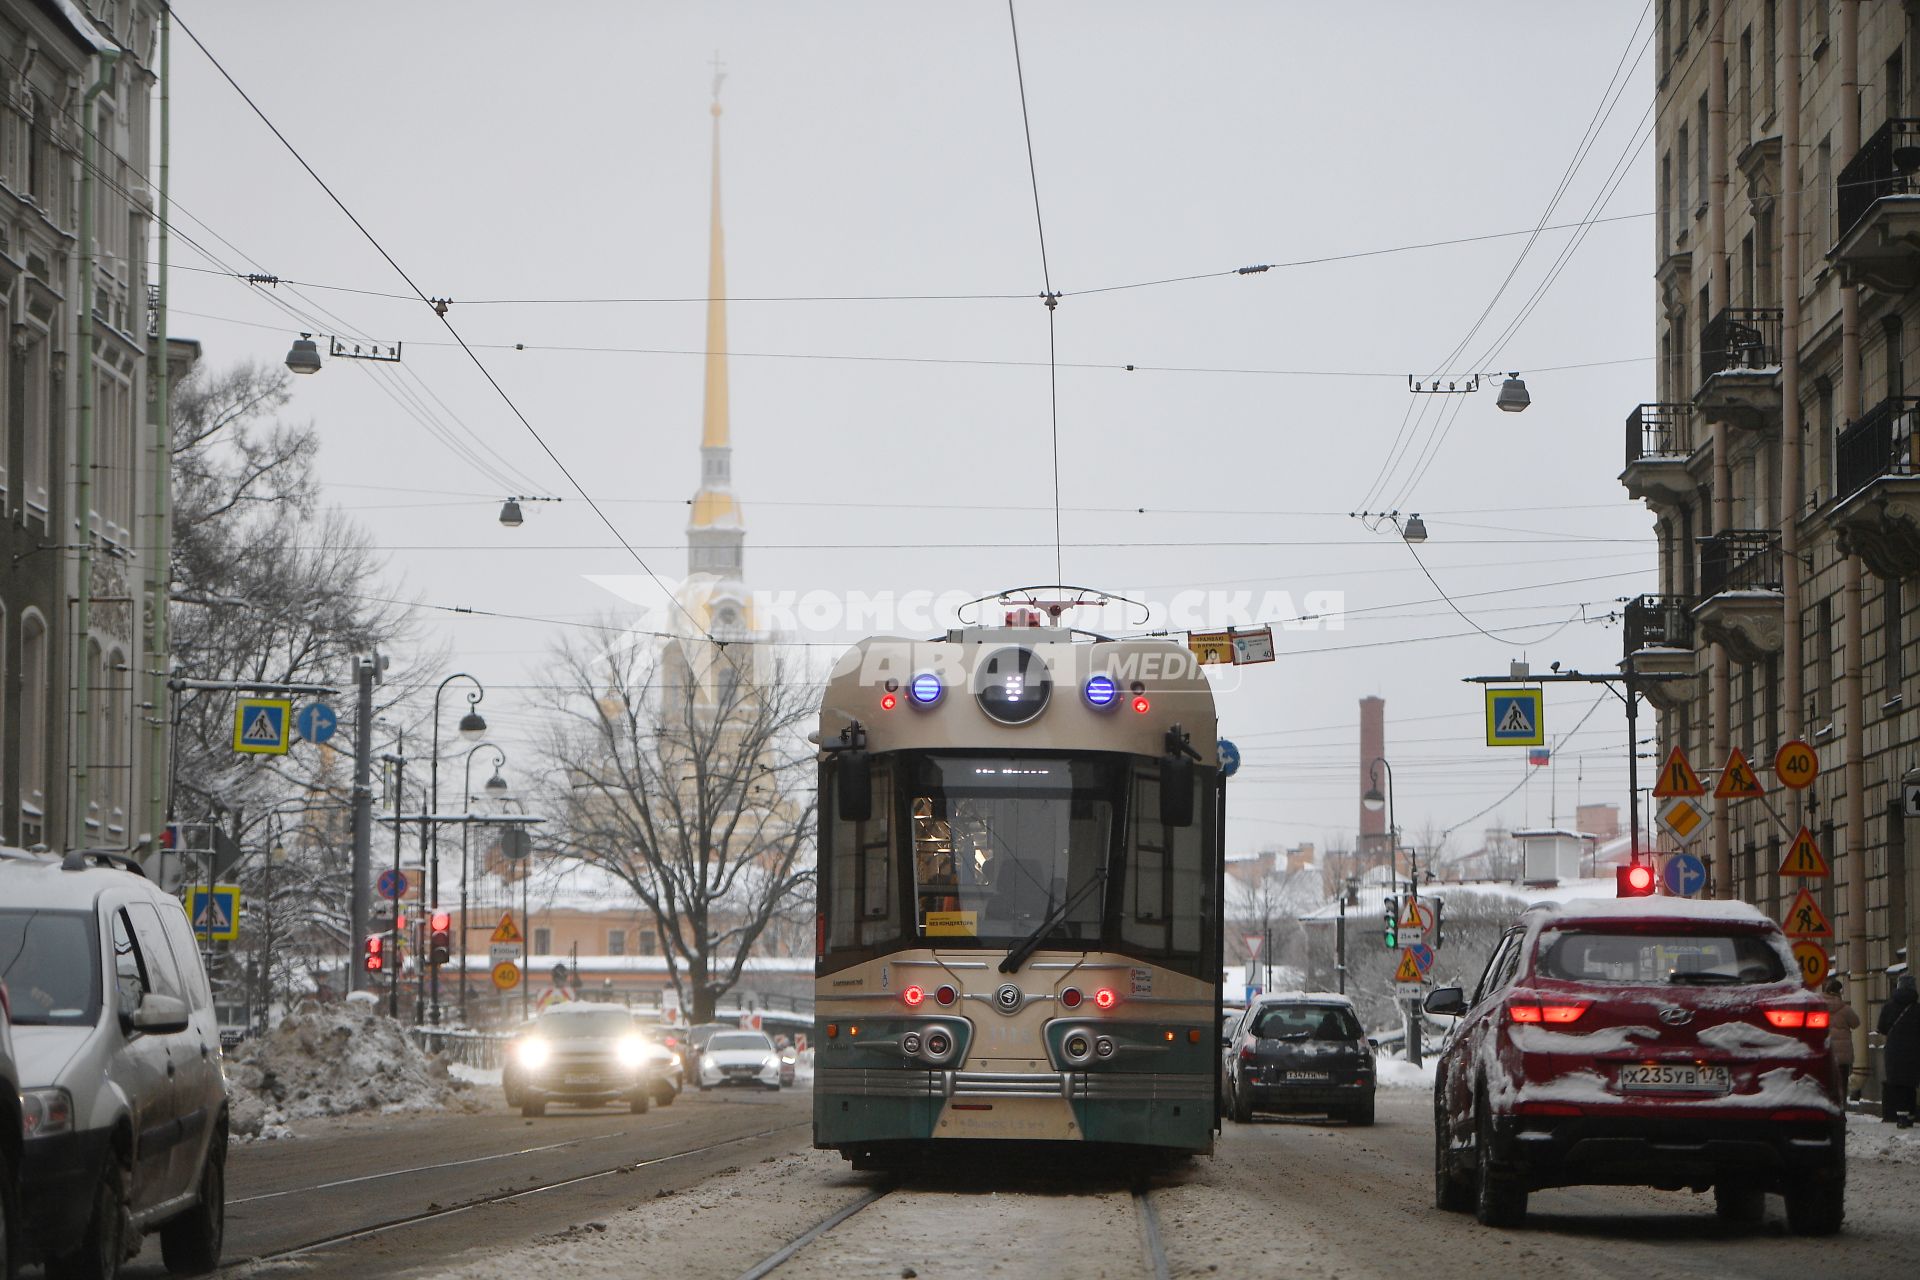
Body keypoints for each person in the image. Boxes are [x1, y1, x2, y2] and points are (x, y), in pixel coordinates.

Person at [1878, 973, 1919, 1128]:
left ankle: (1901, 1116)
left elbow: (1881, 1028)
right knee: (1911, 1083)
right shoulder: (1917, 1008)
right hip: (1915, 1051)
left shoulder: (1889, 1006)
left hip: (1894, 1050)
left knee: (1898, 1084)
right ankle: (1910, 1115)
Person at [1823, 977, 1862, 1099]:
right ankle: (1841, 1107)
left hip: (1825, 1052)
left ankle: (1828, 1107)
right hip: (1842, 1056)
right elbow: (1856, 1023)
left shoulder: (1819, 1007)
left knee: (1826, 1082)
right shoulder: (1845, 1009)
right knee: (1842, 1082)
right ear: (1838, 992)